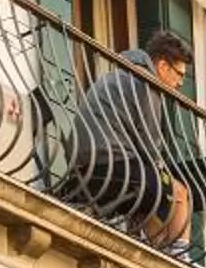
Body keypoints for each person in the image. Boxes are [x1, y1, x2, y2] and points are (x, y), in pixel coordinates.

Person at [71, 27, 195, 251]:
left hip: (84, 166)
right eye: (179, 74)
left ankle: (155, 249)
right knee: (179, 192)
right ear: (163, 66)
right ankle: (181, 255)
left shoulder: (120, 75)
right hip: (113, 164)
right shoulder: (147, 84)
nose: (180, 84)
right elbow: (150, 148)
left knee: (148, 195)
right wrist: (165, 176)